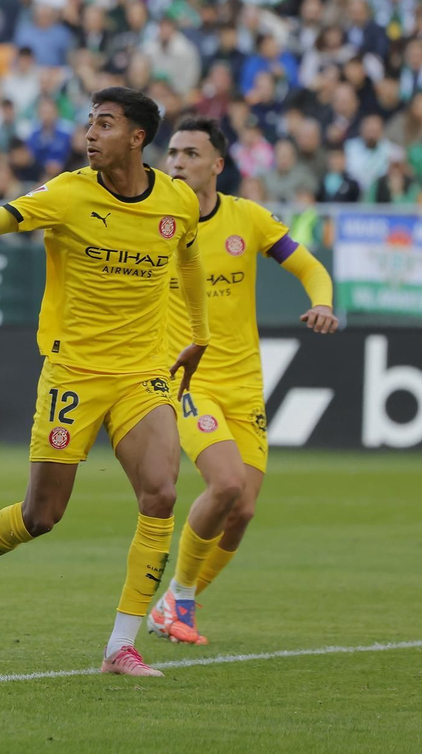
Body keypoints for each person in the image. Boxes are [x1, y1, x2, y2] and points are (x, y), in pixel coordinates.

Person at [0, 86, 211, 677]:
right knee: (42, 515)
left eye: (105, 124)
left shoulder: (177, 201)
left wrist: (198, 333)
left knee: (162, 493)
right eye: (89, 122)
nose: (90, 134)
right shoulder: (67, 194)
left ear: (136, 137)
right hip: (73, 372)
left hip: (143, 373)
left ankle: (120, 646)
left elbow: (190, 261)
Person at [149, 117, 337, 644]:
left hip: (245, 385)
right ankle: (180, 601)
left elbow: (310, 267)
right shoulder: (155, 220)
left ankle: (174, 600)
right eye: (174, 153)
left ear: (217, 165)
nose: (178, 162)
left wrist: (321, 301)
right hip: (188, 382)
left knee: (243, 509)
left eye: (190, 154)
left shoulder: (247, 219)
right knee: (226, 483)